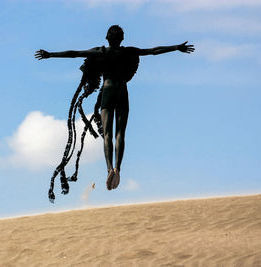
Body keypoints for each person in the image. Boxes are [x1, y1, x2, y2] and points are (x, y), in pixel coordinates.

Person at [35, 25, 194, 191]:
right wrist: (176, 47)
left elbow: (75, 53)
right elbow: (153, 51)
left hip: (108, 91)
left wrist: (50, 54)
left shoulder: (100, 52)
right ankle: (118, 168)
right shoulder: (128, 52)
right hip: (122, 92)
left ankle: (109, 168)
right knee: (120, 134)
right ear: (122, 38)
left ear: (106, 38)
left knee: (108, 134)